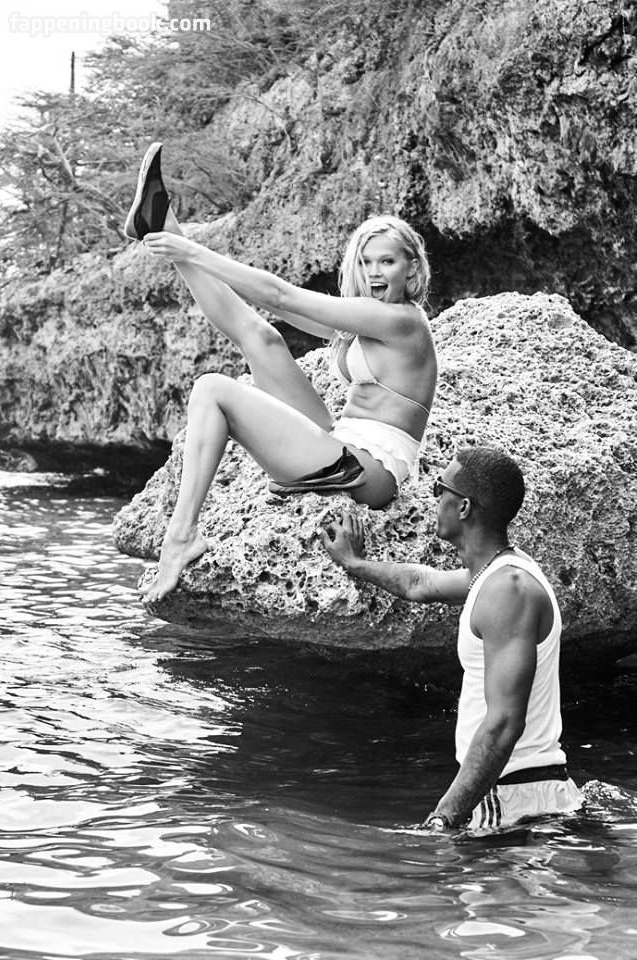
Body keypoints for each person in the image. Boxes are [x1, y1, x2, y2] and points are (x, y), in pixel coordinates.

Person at [123, 143, 438, 602]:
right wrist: (180, 247)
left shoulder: (403, 321)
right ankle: (162, 222)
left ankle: (180, 537)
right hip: (342, 443)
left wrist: (195, 249)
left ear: (411, 268)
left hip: (369, 473)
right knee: (261, 337)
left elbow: (281, 296)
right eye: (365, 261)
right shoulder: (368, 318)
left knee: (212, 389)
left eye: (387, 262)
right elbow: (273, 313)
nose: (374, 272)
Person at [322, 446, 583, 832]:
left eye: (438, 489)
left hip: (511, 798)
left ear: (463, 507)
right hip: (522, 793)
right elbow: (419, 583)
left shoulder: (508, 590)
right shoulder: (497, 576)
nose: (433, 499)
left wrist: (444, 819)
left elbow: (503, 722)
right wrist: (354, 563)